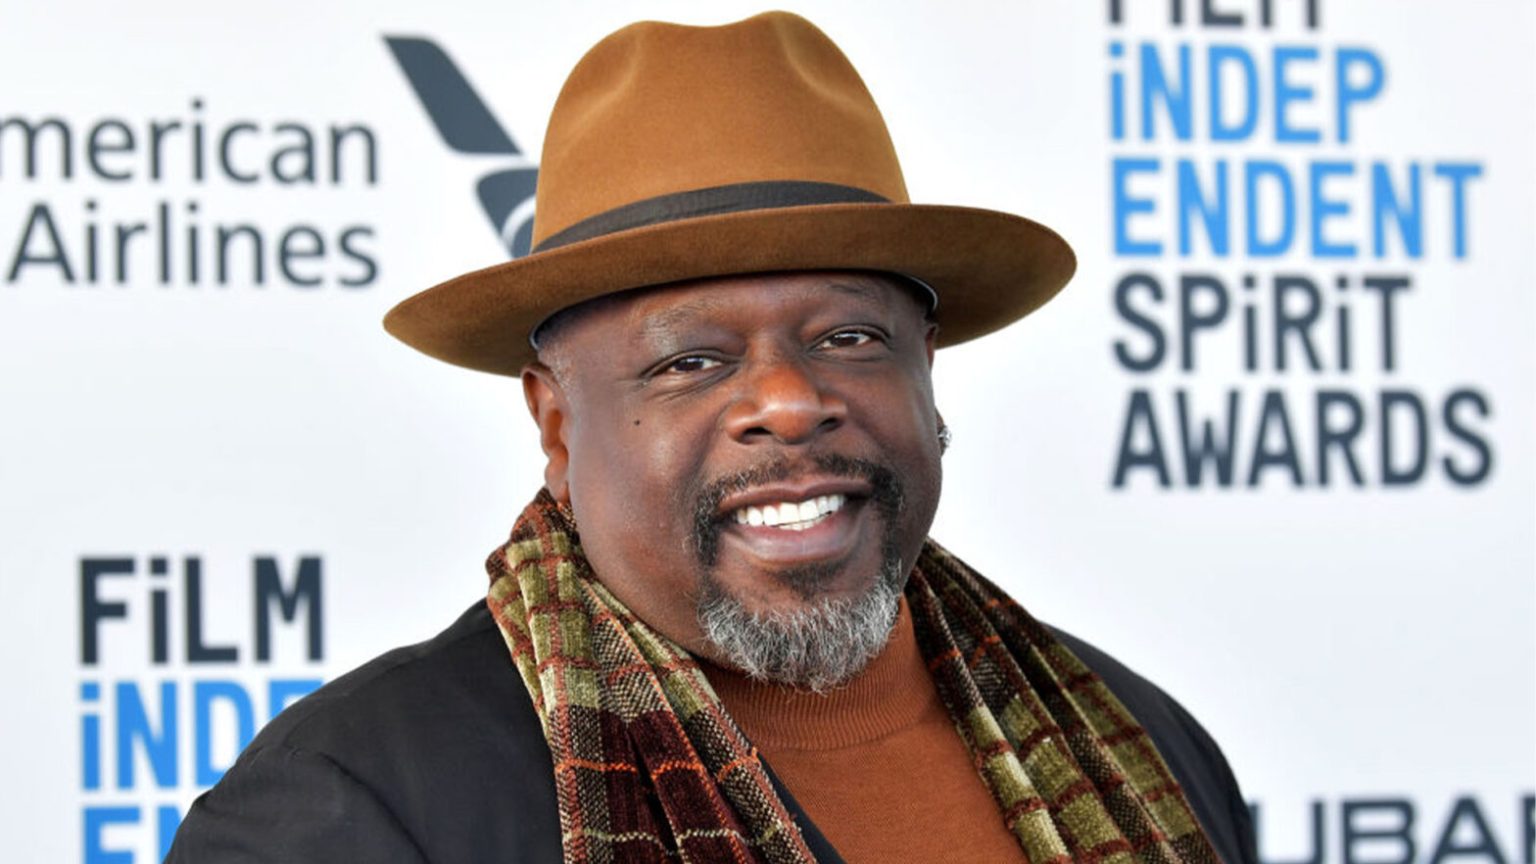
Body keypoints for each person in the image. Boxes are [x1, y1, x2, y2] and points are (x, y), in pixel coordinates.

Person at [168, 12, 1258, 863]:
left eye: (848, 337)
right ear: (555, 423)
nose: (789, 401)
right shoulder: (353, 808)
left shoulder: (1139, 740)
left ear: (928, 375)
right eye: (691, 360)